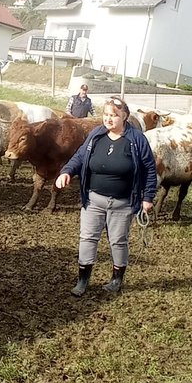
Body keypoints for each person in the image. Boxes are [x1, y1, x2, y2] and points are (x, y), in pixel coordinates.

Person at [55, 97, 157, 297]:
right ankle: (82, 281)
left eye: (114, 115)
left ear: (125, 116)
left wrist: (148, 197)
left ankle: (116, 279)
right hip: (93, 200)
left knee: (118, 241)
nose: (109, 119)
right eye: (106, 115)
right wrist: (67, 171)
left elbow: (149, 169)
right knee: (87, 238)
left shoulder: (137, 140)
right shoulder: (96, 135)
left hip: (123, 203)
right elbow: (80, 156)